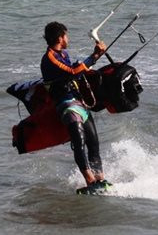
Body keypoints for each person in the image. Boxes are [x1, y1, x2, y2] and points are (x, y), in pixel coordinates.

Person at [40, 21, 111, 193]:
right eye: (66, 35)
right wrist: (93, 56)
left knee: (93, 142)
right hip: (66, 105)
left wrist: (96, 57)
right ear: (60, 38)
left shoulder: (63, 54)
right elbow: (71, 72)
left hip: (79, 102)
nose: (68, 38)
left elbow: (75, 70)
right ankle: (90, 182)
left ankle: (100, 178)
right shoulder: (49, 57)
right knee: (79, 143)